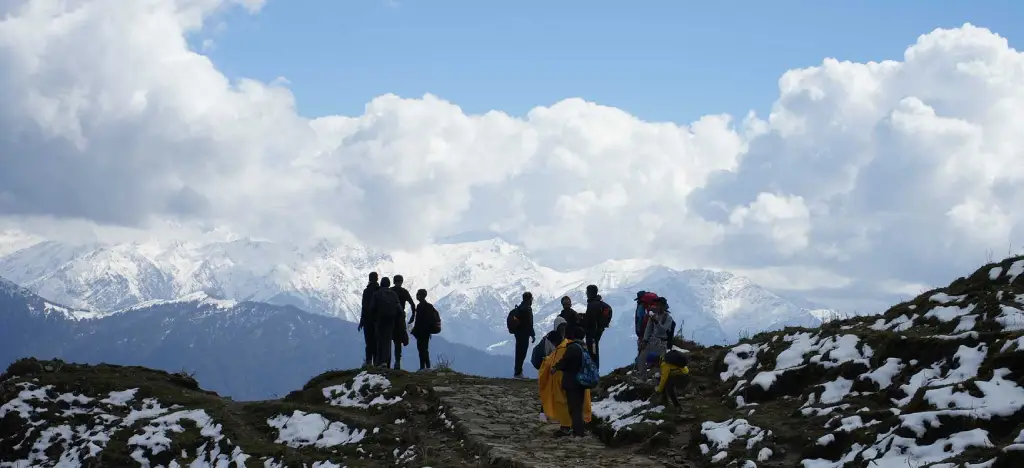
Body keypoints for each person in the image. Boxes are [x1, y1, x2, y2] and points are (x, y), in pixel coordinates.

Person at [551, 326, 591, 437]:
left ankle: (577, 431)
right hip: (582, 381)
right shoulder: (583, 347)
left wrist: (555, 368)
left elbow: (565, 362)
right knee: (578, 405)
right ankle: (579, 429)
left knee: (574, 407)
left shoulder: (573, 348)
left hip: (572, 381)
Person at [636, 296, 676, 380]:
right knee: (641, 359)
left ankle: (658, 379)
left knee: (660, 363)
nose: (657, 307)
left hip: (662, 343)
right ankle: (643, 377)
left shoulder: (668, 318)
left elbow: (663, 330)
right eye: (656, 305)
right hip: (651, 341)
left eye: (658, 305)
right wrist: (644, 341)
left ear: (663, 306)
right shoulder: (653, 316)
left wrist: (656, 322)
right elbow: (648, 329)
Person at [369, 276, 401, 368]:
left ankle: (378, 362)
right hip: (391, 321)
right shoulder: (394, 294)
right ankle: (385, 362)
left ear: (381, 283)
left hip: (380, 320)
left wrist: (374, 319)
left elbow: (372, 308)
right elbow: (399, 309)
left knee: (379, 341)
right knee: (387, 341)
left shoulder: (376, 294)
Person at [409, 288, 439, 371]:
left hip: (421, 332)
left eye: (417, 294)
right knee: (425, 349)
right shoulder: (429, 306)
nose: (416, 296)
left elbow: (418, 321)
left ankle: (423, 367)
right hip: (426, 332)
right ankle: (427, 367)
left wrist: (414, 331)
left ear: (420, 296)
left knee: (421, 349)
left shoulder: (420, 306)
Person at [583, 284, 612, 367]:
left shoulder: (592, 305)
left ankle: (594, 374)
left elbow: (590, 320)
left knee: (592, 354)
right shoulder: (599, 303)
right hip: (597, 334)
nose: (586, 294)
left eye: (587, 292)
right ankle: (595, 372)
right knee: (595, 352)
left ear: (590, 293)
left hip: (592, 335)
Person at [391, 275, 416, 371]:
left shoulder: (389, 291)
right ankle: (397, 362)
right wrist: (412, 317)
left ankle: (386, 363)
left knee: (387, 340)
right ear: (401, 282)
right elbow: (412, 304)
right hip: (400, 319)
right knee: (398, 342)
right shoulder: (404, 292)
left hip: (389, 319)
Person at [509, 292, 536, 379]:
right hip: (524, 334)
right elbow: (530, 323)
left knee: (518, 352)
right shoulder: (528, 309)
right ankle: (518, 373)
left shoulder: (520, 307)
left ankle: (517, 372)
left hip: (518, 333)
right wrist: (532, 334)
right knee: (522, 353)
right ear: (530, 299)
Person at [358, 272, 380, 367]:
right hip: (378, 321)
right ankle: (376, 362)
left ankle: (368, 361)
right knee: (376, 341)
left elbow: (364, 306)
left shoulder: (366, 291)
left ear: (369, 279)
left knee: (369, 342)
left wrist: (361, 321)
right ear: (377, 278)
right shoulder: (380, 290)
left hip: (367, 320)